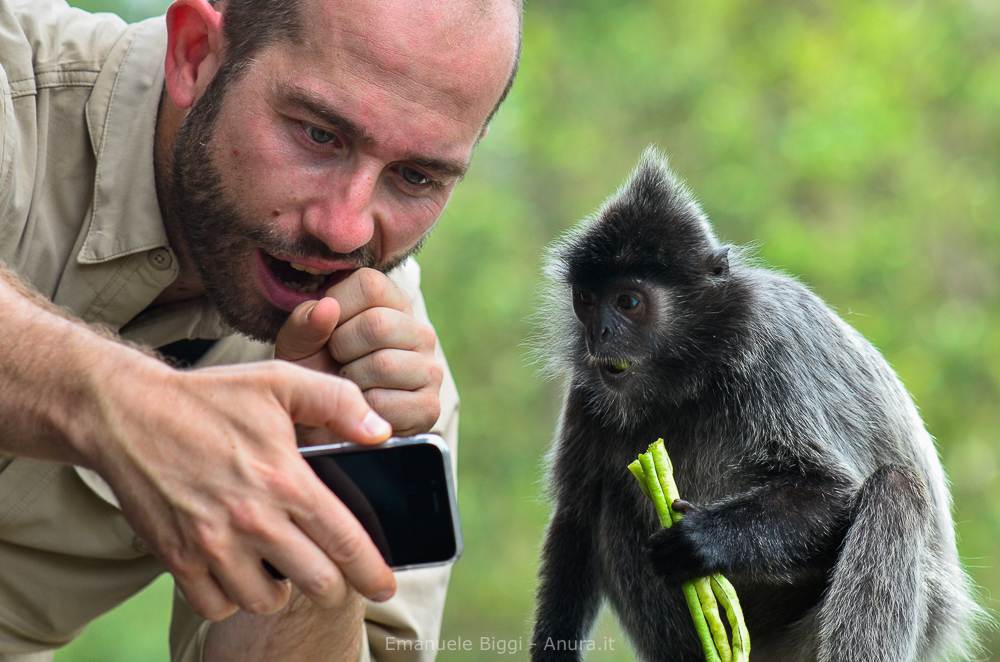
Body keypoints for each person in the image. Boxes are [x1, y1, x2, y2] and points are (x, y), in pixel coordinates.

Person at [0, 0, 521, 659]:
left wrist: (325, 483)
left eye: (415, 177)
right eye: (319, 135)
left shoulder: (387, 377)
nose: (346, 229)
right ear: (195, 55)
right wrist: (119, 405)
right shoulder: (17, 91)